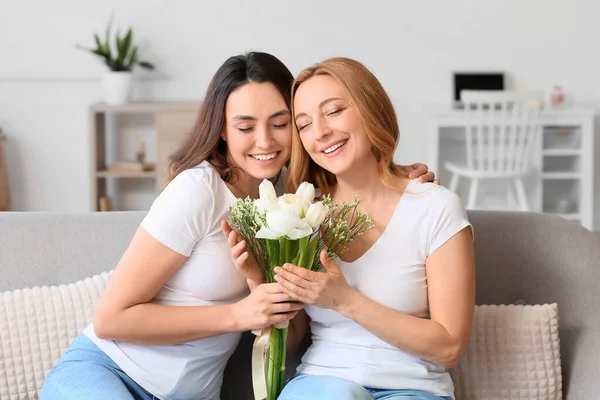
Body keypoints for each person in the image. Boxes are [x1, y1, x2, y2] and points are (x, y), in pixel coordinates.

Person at [39, 52, 436, 400]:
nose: (264, 141)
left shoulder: (294, 197)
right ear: (223, 131)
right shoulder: (199, 190)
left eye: (280, 123)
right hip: (107, 371)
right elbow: (112, 318)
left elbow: (361, 177)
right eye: (245, 127)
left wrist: (401, 177)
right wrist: (239, 315)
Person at [232, 57, 475, 400]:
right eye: (304, 124)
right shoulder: (302, 213)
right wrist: (261, 278)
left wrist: (346, 301)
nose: (320, 132)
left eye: (333, 111)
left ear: (370, 108)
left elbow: (450, 346)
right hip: (322, 384)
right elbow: (289, 341)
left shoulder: (434, 207)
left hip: (412, 389)